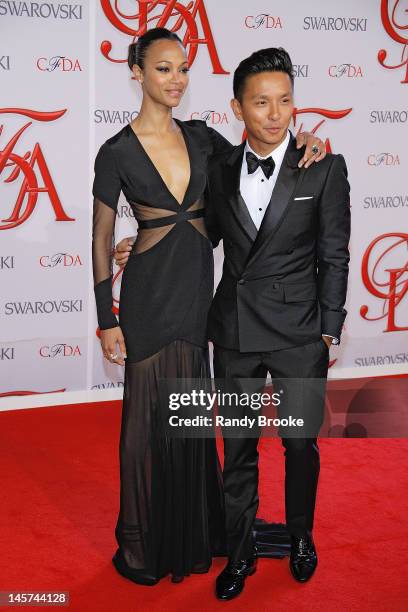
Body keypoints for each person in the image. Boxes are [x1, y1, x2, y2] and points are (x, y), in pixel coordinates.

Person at [94, 28, 326, 586]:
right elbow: (102, 237)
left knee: (193, 423)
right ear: (136, 72)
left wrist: (309, 142)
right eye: (163, 69)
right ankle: (147, 545)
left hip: (200, 300)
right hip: (148, 299)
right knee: (145, 428)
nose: (176, 80)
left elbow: (258, 165)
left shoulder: (202, 139)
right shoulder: (117, 151)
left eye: (182, 69)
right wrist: (108, 318)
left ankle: (197, 533)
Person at [204, 47, 351, 600]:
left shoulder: (324, 165)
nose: (274, 113)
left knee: (299, 446)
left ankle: (301, 537)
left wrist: (329, 328)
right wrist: (138, 246)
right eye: (260, 102)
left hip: (298, 335)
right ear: (237, 107)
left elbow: (334, 255)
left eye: (284, 100)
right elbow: (200, 239)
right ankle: (239, 553)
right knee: (237, 447)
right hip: (237, 332)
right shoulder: (217, 171)